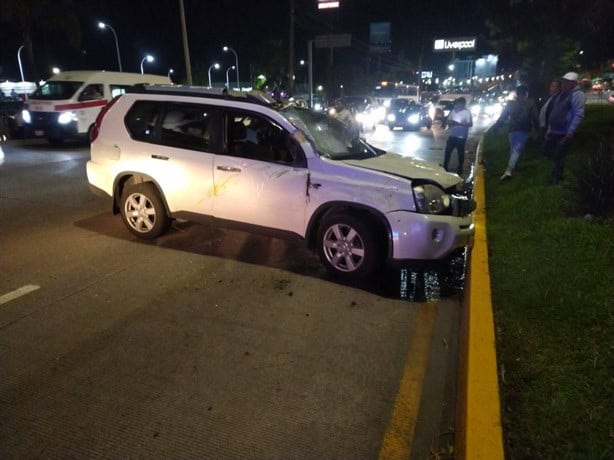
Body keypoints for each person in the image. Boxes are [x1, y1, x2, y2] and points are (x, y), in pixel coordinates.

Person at [544, 71, 585, 184]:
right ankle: (557, 176)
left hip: (564, 132)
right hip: (555, 131)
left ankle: (555, 178)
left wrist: (570, 131)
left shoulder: (577, 95)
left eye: (566, 82)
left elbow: (578, 114)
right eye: (563, 81)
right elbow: (554, 111)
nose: (563, 83)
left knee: (559, 155)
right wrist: (549, 129)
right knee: (554, 155)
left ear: (573, 83)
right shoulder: (562, 93)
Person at [494, 85, 539, 180]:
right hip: (522, 130)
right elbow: (535, 118)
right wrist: (537, 129)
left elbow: (503, 117)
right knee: (515, 150)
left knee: (515, 150)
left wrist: (497, 127)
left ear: (517, 93)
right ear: (526, 94)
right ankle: (510, 170)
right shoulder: (530, 103)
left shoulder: (511, 104)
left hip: (514, 130)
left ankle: (509, 170)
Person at [442, 97, 473, 176]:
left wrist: (459, 124)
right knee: (448, 151)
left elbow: (470, 124)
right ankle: (445, 167)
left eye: (460, 103)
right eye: (457, 103)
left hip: (461, 137)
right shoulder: (453, 111)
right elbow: (448, 120)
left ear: (463, 104)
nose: (458, 105)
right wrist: (450, 122)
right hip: (452, 136)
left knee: (460, 153)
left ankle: (460, 168)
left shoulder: (466, 113)